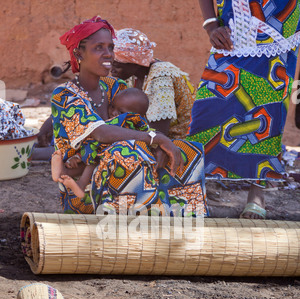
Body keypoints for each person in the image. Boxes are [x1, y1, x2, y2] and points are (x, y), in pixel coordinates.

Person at [51, 16, 208, 217]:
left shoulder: (116, 86)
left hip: (120, 163)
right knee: (129, 152)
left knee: (186, 151)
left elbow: (137, 123)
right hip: (82, 183)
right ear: (78, 53)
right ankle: (132, 224)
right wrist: (157, 138)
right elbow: (100, 133)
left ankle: (180, 220)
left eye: (110, 47)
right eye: (99, 48)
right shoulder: (65, 94)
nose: (108, 54)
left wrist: (157, 145)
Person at [186, 0, 300, 219]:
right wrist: (210, 24)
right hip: (234, 26)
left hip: (281, 28)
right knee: (208, 106)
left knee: (269, 111)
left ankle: (257, 195)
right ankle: (193, 188)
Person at [51, 88, 151, 199]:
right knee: (92, 158)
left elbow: (98, 141)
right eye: (112, 106)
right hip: (101, 154)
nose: (113, 113)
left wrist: (80, 156)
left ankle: (81, 183)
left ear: (136, 114)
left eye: (121, 112)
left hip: (114, 159)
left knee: (94, 159)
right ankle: (65, 173)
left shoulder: (127, 122)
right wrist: (78, 156)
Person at [111, 28, 196, 140]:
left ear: (136, 62)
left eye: (117, 66)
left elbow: (158, 134)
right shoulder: (133, 76)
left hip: (182, 141)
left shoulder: (160, 77)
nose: (111, 70)